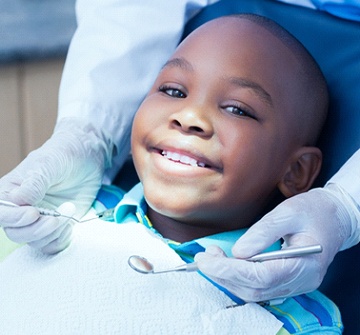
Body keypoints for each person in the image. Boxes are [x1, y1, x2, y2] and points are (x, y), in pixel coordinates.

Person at [0, 15, 343, 334]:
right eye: (173, 91)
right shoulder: (58, 213)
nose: (189, 115)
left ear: (296, 171)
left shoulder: (299, 320)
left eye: (237, 109)